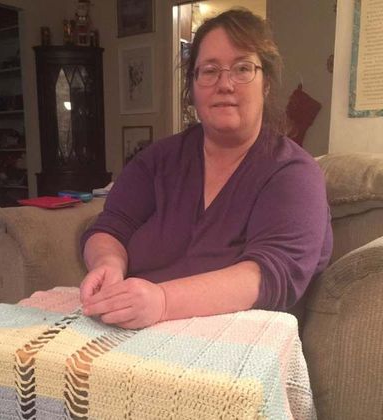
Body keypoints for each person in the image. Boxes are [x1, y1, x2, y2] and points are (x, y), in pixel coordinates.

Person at [79, 9, 332, 329]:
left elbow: (272, 275)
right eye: (209, 71)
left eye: (242, 68)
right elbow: (110, 226)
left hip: (233, 350)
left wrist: (162, 301)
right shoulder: (156, 160)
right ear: (193, 87)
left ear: (266, 83)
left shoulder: (294, 173)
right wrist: (108, 264)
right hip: (129, 331)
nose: (225, 84)